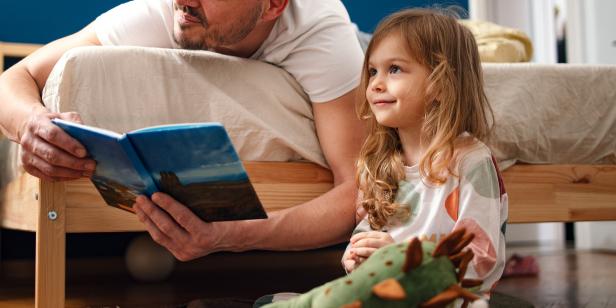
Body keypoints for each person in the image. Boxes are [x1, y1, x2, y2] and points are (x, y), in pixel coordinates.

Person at [0, 0, 365, 260]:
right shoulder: (160, 11)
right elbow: (16, 77)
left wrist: (233, 237)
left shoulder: (322, 36)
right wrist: (29, 123)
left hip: (361, 46)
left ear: (273, 6)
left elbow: (354, 191)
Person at [340, 8, 508, 299]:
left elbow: (480, 258)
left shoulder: (471, 161)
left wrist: (406, 257)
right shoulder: (378, 163)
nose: (376, 83)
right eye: (372, 71)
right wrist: (356, 253)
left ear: (440, 85)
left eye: (394, 69)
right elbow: (369, 228)